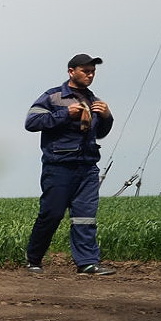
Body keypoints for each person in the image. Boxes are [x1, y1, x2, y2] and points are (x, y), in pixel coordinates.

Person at [24, 53, 115, 275]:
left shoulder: (94, 101)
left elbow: (100, 133)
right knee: (52, 214)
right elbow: (32, 122)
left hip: (87, 167)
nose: (90, 75)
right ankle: (33, 259)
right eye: (86, 71)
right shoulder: (53, 97)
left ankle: (87, 263)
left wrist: (107, 117)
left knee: (85, 217)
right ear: (71, 71)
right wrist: (66, 113)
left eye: (93, 71)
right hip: (59, 167)